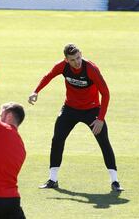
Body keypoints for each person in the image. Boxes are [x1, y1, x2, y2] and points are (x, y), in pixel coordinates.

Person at [28, 43, 124, 191]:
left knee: (104, 142)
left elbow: (105, 93)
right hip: (70, 109)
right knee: (57, 139)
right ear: (66, 60)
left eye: (78, 57)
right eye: (72, 59)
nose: (77, 62)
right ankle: (52, 179)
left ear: (81, 54)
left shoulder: (91, 69)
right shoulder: (62, 66)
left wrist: (100, 118)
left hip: (92, 111)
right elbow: (48, 76)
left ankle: (115, 181)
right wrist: (36, 91)